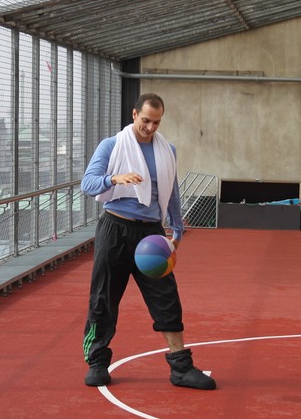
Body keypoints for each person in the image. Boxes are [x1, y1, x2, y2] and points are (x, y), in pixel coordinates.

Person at [79, 93, 216, 390]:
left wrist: (177, 228)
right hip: (115, 228)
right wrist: (114, 179)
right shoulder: (111, 146)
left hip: (151, 234)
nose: (150, 128)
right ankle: (97, 361)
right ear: (134, 114)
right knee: (103, 298)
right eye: (146, 121)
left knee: (166, 297)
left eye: (156, 122)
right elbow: (87, 184)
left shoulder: (167, 150)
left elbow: (172, 190)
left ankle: (181, 367)